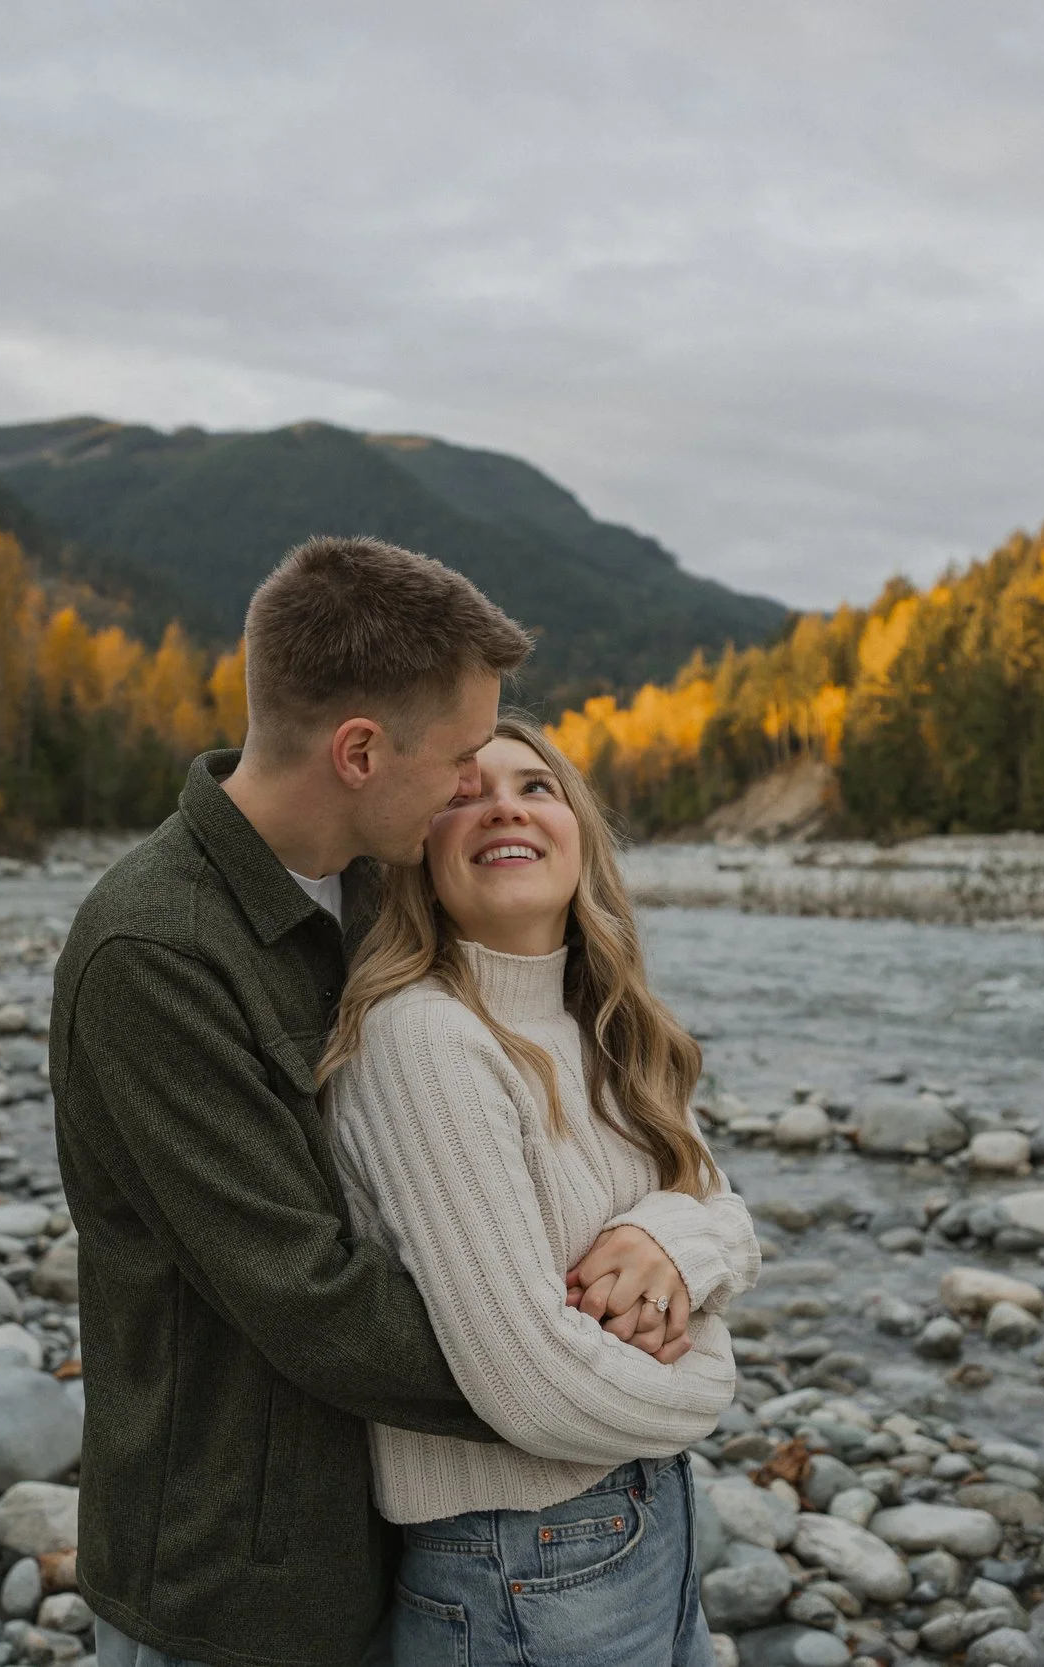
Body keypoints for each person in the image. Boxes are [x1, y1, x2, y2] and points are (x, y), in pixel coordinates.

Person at [48, 538, 700, 1667]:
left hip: (391, 1537)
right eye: (456, 757)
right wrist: (601, 1368)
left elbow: (625, 1142)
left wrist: (673, 1239)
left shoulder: (381, 890)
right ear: (358, 751)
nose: (471, 787)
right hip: (234, 1583)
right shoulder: (155, 950)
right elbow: (313, 1295)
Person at [321, 715, 760, 1667]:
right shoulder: (423, 1040)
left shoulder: (607, 1027)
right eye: (463, 792)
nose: (504, 807)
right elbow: (532, 1384)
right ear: (415, 850)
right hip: (523, 1562)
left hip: (642, 1521)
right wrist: (710, 1375)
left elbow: (726, 1208)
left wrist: (673, 1243)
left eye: (536, 786)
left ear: (579, 833)